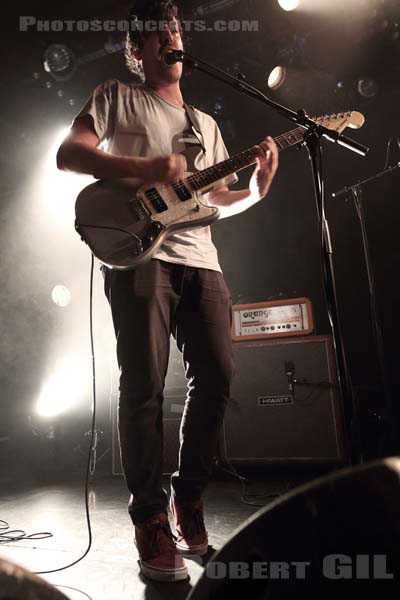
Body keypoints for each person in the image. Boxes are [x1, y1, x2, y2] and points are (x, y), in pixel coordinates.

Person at [57, 0, 278, 583]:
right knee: (145, 386)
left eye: (174, 30)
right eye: (155, 34)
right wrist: (152, 168)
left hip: (201, 260)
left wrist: (255, 191)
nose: (168, 39)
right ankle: (150, 518)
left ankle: (190, 497)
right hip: (138, 257)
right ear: (137, 51)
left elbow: (216, 200)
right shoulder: (116, 95)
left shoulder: (205, 124)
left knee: (220, 378)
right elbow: (68, 154)